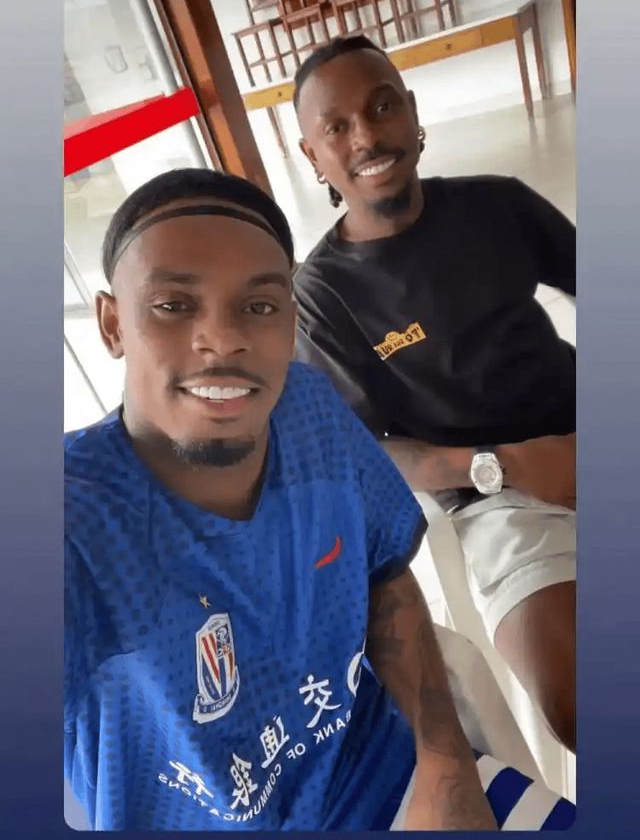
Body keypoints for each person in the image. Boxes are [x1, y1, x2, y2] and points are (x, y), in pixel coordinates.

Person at [65, 168, 574, 830]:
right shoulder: (73, 523)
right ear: (112, 324)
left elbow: (385, 575)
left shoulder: (309, 411)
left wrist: (445, 763)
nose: (223, 339)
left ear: (290, 320)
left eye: (259, 306)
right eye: (173, 305)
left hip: (393, 779)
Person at [293, 36, 577, 753]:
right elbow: (367, 453)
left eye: (382, 106)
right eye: (337, 127)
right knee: (579, 700)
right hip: (498, 497)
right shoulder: (324, 295)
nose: (367, 137)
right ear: (313, 156)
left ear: (413, 113)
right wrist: (505, 466)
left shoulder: (497, 205)